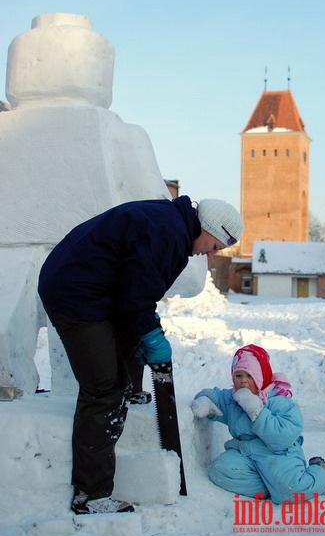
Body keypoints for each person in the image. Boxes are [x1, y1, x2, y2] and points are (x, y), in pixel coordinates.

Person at [38, 195, 243, 515]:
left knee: (134, 333)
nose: (212, 254)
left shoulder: (172, 225)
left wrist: (145, 333)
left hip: (95, 288)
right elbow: (135, 299)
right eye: (215, 245)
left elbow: (138, 294)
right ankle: (90, 495)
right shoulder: (168, 232)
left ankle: (131, 391)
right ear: (207, 227)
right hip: (75, 293)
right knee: (103, 389)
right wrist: (153, 336)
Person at [191, 344, 325, 504]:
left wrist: (257, 411)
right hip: (245, 453)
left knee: (293, 492)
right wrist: (205, 400)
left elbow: (283, 437)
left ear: (260, 377)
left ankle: (323, 474)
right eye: (238, 376)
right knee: (221, 470)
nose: (243, 382)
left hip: (278, 454)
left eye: (249, 376)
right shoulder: (233, 398)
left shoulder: (279, 401)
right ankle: (274, 486)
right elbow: (217, 396)